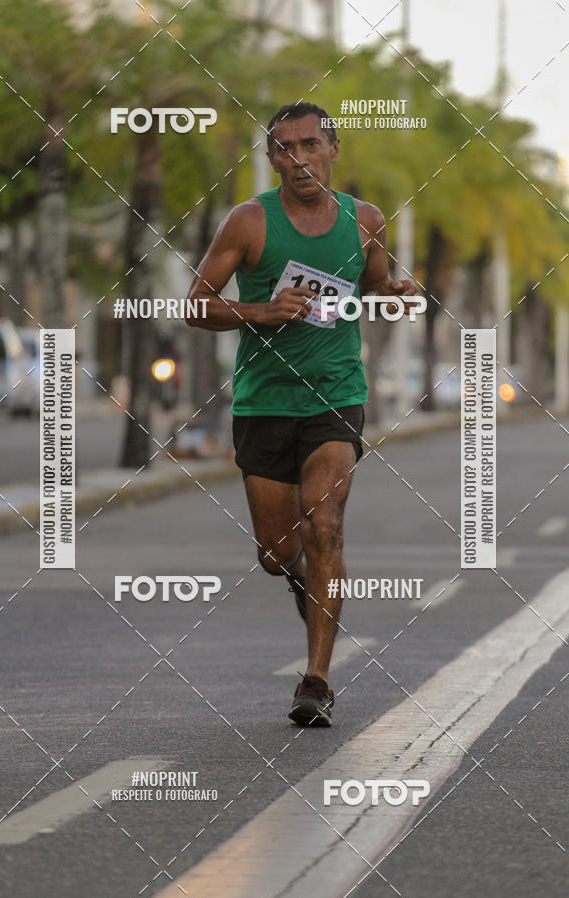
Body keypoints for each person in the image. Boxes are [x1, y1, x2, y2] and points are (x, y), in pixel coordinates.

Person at [186, 102, 416, 726]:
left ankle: (316, 681)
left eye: (311, 144)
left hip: (335, 396)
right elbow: (196, 305)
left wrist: (394, 294)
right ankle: (303, 582)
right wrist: (261, 311)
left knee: (326, 523)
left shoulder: (366, 220)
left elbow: (374, 287)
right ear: (272, 159)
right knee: (276, 551)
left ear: (333, 149)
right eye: (285, 148)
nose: (299, 158)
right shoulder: (248, 221)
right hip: (264, 402)